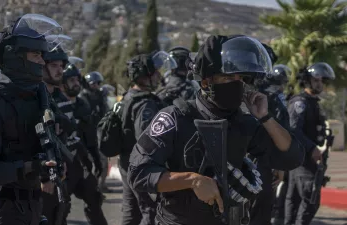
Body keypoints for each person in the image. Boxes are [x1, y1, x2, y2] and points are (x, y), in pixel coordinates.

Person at [127, 35, 305, 225]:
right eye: (228, 77)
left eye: (241, 78)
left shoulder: (243, 123)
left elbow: (292, 157)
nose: (238, 84)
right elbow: (138, 173)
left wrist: (265, 117)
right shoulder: (175, 118)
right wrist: (192, 180)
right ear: (206, 82)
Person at [0, 14, 64, 225]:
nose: (42, 61)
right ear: (16, 57)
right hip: (2, 210)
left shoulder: (35, 99)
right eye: (36, 55)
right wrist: (32, 167)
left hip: (30, 206)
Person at [118, 52, 174, 225]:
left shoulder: (127, 97)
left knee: (131, 211)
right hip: (140, 166)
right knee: (150, 211)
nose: (159, 76)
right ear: (145, 76)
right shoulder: (146, 104)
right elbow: (146, 141)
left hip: (126, 164)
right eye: (155, 72)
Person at [285, 62, 335, 225]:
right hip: (303, 162)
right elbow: (293, 129)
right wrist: (312, 148)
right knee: (309, 201)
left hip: (307, 162)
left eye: (322, 81)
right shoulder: (300, 102)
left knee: (297, 203)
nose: (319, 84)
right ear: (307, 80)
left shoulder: (313, 102)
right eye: (316, 80)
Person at [61, 63, 108, 225]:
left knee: (94, 200)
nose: (75, 83)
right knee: (59, 208)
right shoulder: (54, 105)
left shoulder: (83, 104)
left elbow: (90, 136)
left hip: (81, 163)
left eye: (76, 79)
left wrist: (95, 159)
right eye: (71, 80)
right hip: (62, 164)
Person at [248, 62, 291, 225]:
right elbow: (283, 133)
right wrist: (280, 166)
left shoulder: (239, 92)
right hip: (262, 164)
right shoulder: (273, 97)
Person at [80, 71, 109, 192]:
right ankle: (93, 187)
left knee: (103, 161)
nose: (96, 85)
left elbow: (106, 112)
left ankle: (100, 185)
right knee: (92, 162)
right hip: (88, 134)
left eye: (98, 83)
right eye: (93, 83)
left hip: (100, 131)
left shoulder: (100, 96)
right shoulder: (83, 97)